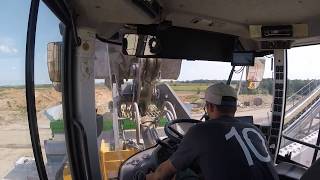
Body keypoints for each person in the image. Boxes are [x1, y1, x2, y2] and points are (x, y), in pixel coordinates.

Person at [146, 83, 279, 180]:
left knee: (179, 175)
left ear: (209, 106)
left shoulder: (199, 132)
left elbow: (162, 173)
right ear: (234, 108)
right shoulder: (254, 130)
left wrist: (147, 177)